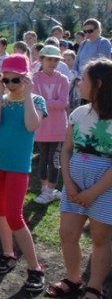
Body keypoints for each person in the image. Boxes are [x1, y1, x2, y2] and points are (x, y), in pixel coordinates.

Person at [46, 59, 112, 299]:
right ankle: (73, 278)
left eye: (83, 79)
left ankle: (94, 286)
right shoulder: (78, 113)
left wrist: (93, 192)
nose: (78, 83)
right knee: (67, 233)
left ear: (99, 84)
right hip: (74, 186)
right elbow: (66, 150)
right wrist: (69, 183)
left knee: (100, 239)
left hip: (105, 189)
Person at [0, 54, 47, 293]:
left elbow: (32, 125)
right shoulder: (2, 98)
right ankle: (8, 254)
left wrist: (29, 94)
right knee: (1, 212)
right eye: (7, 80)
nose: (11, 85)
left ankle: (35, 268)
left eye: (16, 80)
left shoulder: (37, 101)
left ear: (26, 79)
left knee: (14, 215)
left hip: (18, 166)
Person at [32, 45, 69, 204]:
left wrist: (44, 102)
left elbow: (63, 103)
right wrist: (49, 103)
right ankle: (44, 189)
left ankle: (51, 190)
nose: (52, 62)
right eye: (49, 59)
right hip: (41, 125)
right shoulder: (34, 78)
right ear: (41, 59)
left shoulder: (63, 79)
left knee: (54, 158)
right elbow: (34, 101)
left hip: (58, 126)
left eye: (55, 59)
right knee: (43, 158)